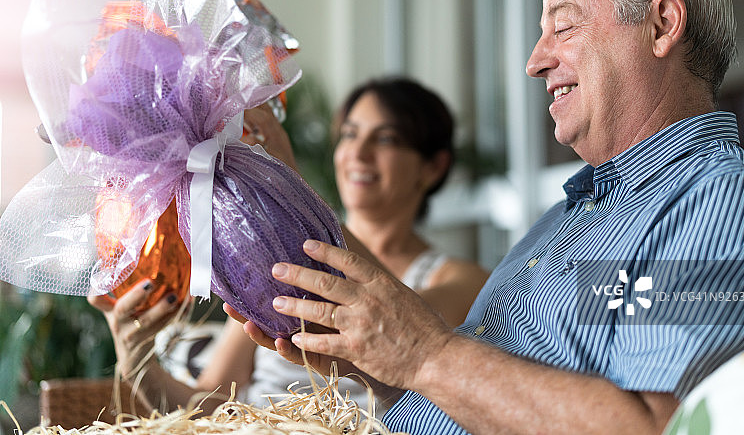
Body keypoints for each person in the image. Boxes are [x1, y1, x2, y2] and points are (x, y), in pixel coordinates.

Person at [229, 0, 744, 435]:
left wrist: (423, 355)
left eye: (564, 25)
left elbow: (653, 428)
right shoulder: (570, 217)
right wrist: (373, 357)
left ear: (661, 25)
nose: (534, 61)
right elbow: (472, 388)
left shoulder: (727, 202)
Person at [88, 76, 489, 412]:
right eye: (349, 134)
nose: (358, 153)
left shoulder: (463, 279)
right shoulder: (274, 263)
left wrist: (295, 195)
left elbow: (415, 331)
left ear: (433, 167)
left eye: (385, 139)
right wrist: (134, 355)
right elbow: (205, 405)